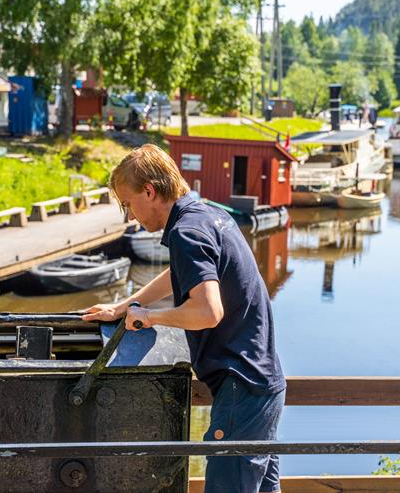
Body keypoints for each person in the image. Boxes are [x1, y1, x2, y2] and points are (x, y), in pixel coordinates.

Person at [82, 144, 286, 493]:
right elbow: (182, 274)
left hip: (240, 387)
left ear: (150, 191)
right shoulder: (206, 215)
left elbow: (208, 312)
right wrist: (124, 306)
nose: (129, 216)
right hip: (262, 385)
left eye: (128, 203)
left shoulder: (185, 232)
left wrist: (150, 317)